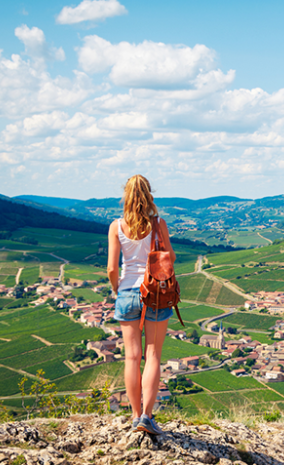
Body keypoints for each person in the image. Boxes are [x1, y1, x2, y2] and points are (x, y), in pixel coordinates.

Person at [107, 175, 175, 435]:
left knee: (131, 357)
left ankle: (135, 416)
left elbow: (113, 267)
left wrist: (117, 287)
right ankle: (147, 416)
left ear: (126, 195)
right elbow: (171, 257)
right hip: (155, 293)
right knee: (153, 355)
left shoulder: (116, 226)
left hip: (127, 293)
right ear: (149, 195)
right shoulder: (158, 224)